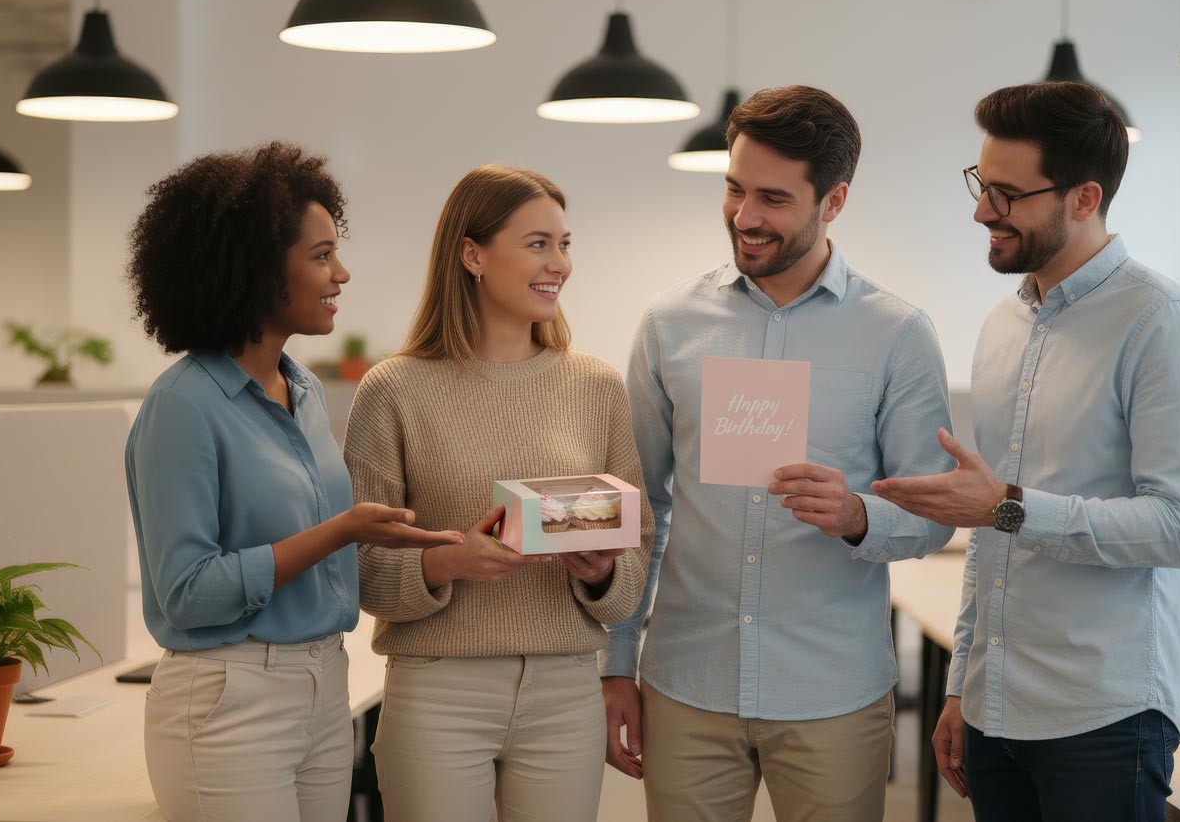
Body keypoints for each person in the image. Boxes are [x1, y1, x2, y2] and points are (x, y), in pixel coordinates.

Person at [871, 82, 1180, 822]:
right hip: (998, 707)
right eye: (980, 184)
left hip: (1104, 713)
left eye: (1006, 194)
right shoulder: (1004, 326)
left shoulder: (1163, 326)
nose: (981, 212)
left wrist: (1008, 508)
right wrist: (962, 684)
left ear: (1083, 197)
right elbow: (989, 531)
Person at [602, 85, 955, 822]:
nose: (746, 217)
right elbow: (638, 507)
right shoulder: (671, 324)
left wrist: (860, 516)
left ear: (834, 202)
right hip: (686, 683)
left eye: (774, 198)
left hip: (833, 693)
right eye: (733, 189)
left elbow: (934, 515)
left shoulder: (897, 336)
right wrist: (615, 662)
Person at [124, 142, 461, 822]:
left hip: (322, 684)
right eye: (320, 255)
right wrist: (338, 531)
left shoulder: (302, 392)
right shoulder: (183, 406)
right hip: (229, 697)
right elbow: (186, 593)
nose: (341, 273)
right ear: (254, 268)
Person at [344, 163, 652, 822]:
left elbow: (634, 559)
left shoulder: (597, 387)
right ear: (471, 254)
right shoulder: (394, 390)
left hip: (566, 689)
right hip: (436, 690)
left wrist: (601, 573)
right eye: (538, 243)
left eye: (565, 244)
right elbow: (360, 569)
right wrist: (446, 562)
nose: (559, 264)